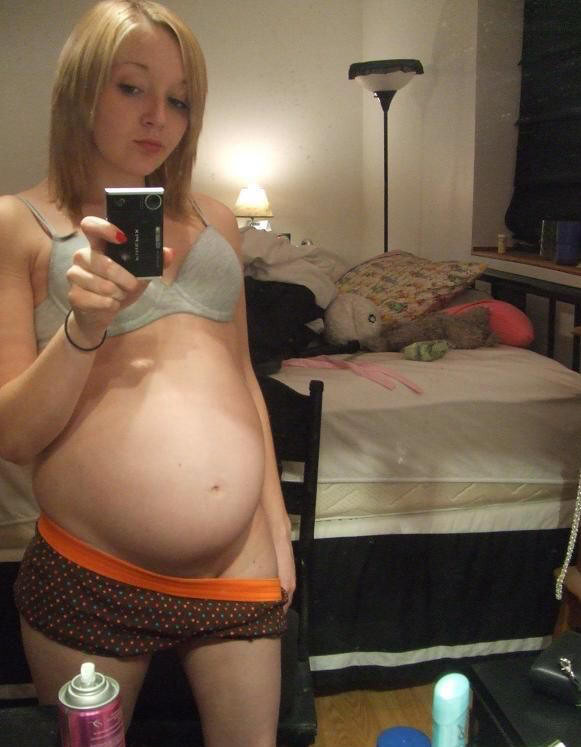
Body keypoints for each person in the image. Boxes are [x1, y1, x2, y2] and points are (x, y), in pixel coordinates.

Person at [0, 2, 295, 745]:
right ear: (80, 89)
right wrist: (83, 327)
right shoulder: (18, 223)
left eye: (180, 99)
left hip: (239, 564)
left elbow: (242, 379)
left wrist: (276, 526)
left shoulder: (217, 221)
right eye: (131, 87)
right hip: (92, 570)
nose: (158, 116)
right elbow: (12, 435)